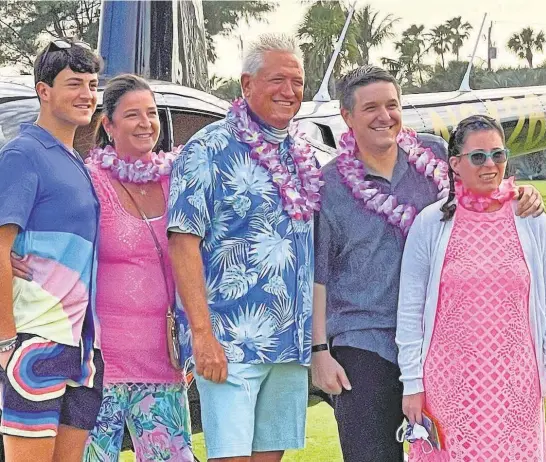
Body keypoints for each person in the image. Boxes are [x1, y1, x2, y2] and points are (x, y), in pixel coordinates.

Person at [311, 65, 545, 462]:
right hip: (365, 340)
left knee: (446, 451)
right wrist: (319, 351)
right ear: (346, 116)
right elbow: (318, 275)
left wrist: (521, 196)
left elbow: (481, 187)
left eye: (392, 105)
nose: (384, 116)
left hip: (440, 343)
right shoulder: (329, 184)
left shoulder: (432, 154)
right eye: (370, 108)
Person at [167, 33, 321, 462]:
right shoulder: (209, 148)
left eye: (296, 82)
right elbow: (183, 243)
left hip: (289, 343)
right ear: (246, 83)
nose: (288, 92)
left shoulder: (302, 151)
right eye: (277, 79)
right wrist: (202, 335)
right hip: (229, 342)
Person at [396, 114, 546, 461]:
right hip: (450, 387)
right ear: (455, 164)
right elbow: (410, 310)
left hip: (518, 386)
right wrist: (412, 384)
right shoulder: (431, 222)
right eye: (477, 156)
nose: (490, 164)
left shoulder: (531, 219)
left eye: (498, 154)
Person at [0, 38, 103, 462]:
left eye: (93, 84)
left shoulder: (75, 159)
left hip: (80, 347)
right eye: (74, 83)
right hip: (32, 340)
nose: (87, 95)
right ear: (44, 91)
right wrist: (6, 342)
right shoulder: (23, 154)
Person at [80, 74, 193, 462]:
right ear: (107, 125)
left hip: (164, 363)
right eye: (132, 115)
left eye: (151, 113)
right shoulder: (90, 182)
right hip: (101, 367)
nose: (146, 123)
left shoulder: (178, 180)